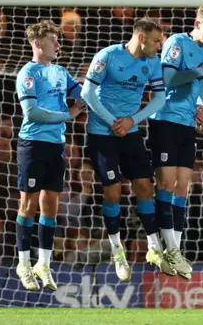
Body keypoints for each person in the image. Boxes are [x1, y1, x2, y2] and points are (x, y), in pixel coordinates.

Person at [81, 18, 170, 281]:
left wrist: (133, 120)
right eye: (156, 41)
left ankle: (154, 247)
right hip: (102, 133)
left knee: (144, 185)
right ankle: (117, 251)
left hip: (129, 131)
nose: (160, 46)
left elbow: (160, 98)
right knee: (113, 190)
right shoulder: (108, 55)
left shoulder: (153, 63)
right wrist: (111, 121)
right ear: (141, 38)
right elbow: (88, 92)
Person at [148, 4, 203, 279]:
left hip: (186, 124)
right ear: (197, 23)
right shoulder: (177, 42)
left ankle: (175, 250)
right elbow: (167, 78)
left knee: (183, 188)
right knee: (166, 184)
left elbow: (201, 87)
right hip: (165, 119)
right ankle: (160, 245)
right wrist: (199, 72)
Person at [14, 20, 83, 291]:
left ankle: (43, 263)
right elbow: (31, 112)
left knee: (51, 204)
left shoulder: (61, 72)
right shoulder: (28, 74)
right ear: (37, 43)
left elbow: (82, 94)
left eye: (57, 39)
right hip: (32, 144)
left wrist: (97, 89)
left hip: (56, 145)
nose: (57, 43)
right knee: (28, 204)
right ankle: (23, 263)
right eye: (53, 39)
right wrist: (68, 114)